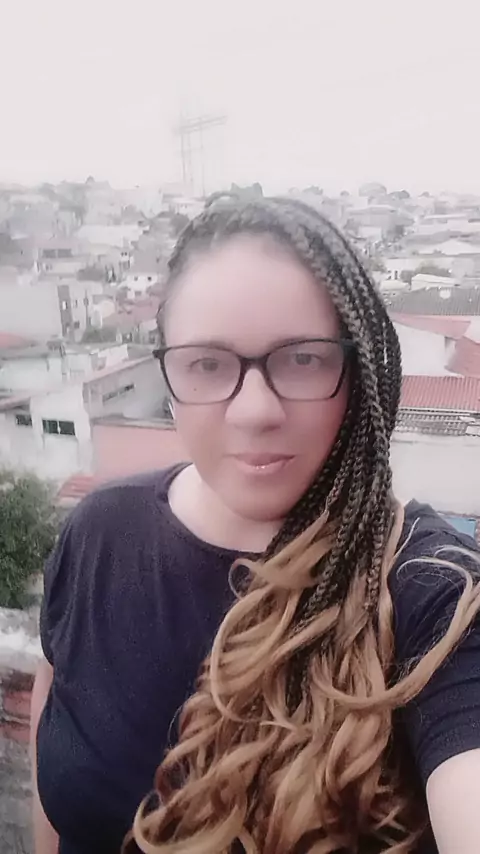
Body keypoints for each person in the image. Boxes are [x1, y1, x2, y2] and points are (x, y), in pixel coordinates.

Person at [32, 195, 480, 854]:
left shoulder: (429, 593)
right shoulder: (97, 534)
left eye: (302, 359)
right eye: (207, 364)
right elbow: (54, 784)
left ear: (357, 372)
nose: (255, 411)